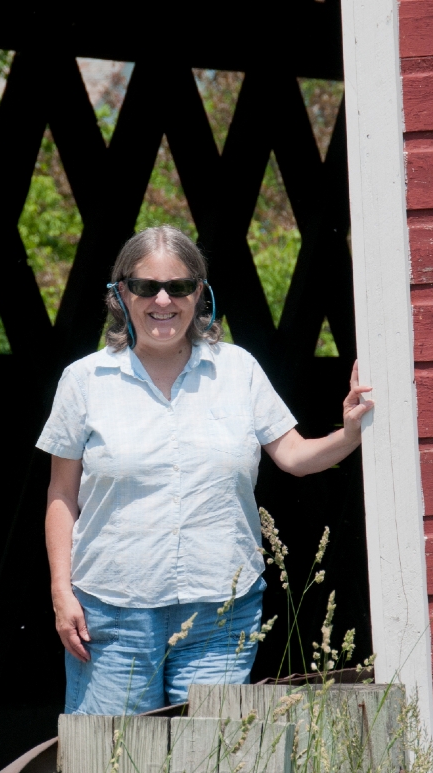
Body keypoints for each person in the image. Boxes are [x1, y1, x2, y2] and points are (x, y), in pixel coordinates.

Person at [35, 226, 373, 715]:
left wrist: (349, 434)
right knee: (111, 769)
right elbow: (61, 496)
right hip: (110, 612)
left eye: (179, 286)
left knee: (209, 770)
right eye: (147, 287)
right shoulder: (84, 381)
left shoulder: (238, 370)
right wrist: (60, 592)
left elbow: (294, 457)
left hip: (222, 611)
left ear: (201, 293)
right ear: (121, 294)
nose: (163, 300)